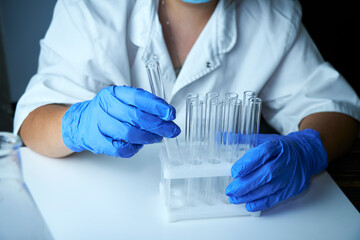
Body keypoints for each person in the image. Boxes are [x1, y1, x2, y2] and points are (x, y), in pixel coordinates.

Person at [14, 0, 360, 212]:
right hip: (105, 208)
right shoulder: (92, 7)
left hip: (221, 208)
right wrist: (79, 124)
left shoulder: (272, 16)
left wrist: (306, 149)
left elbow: (336, 108)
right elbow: (32, 123)